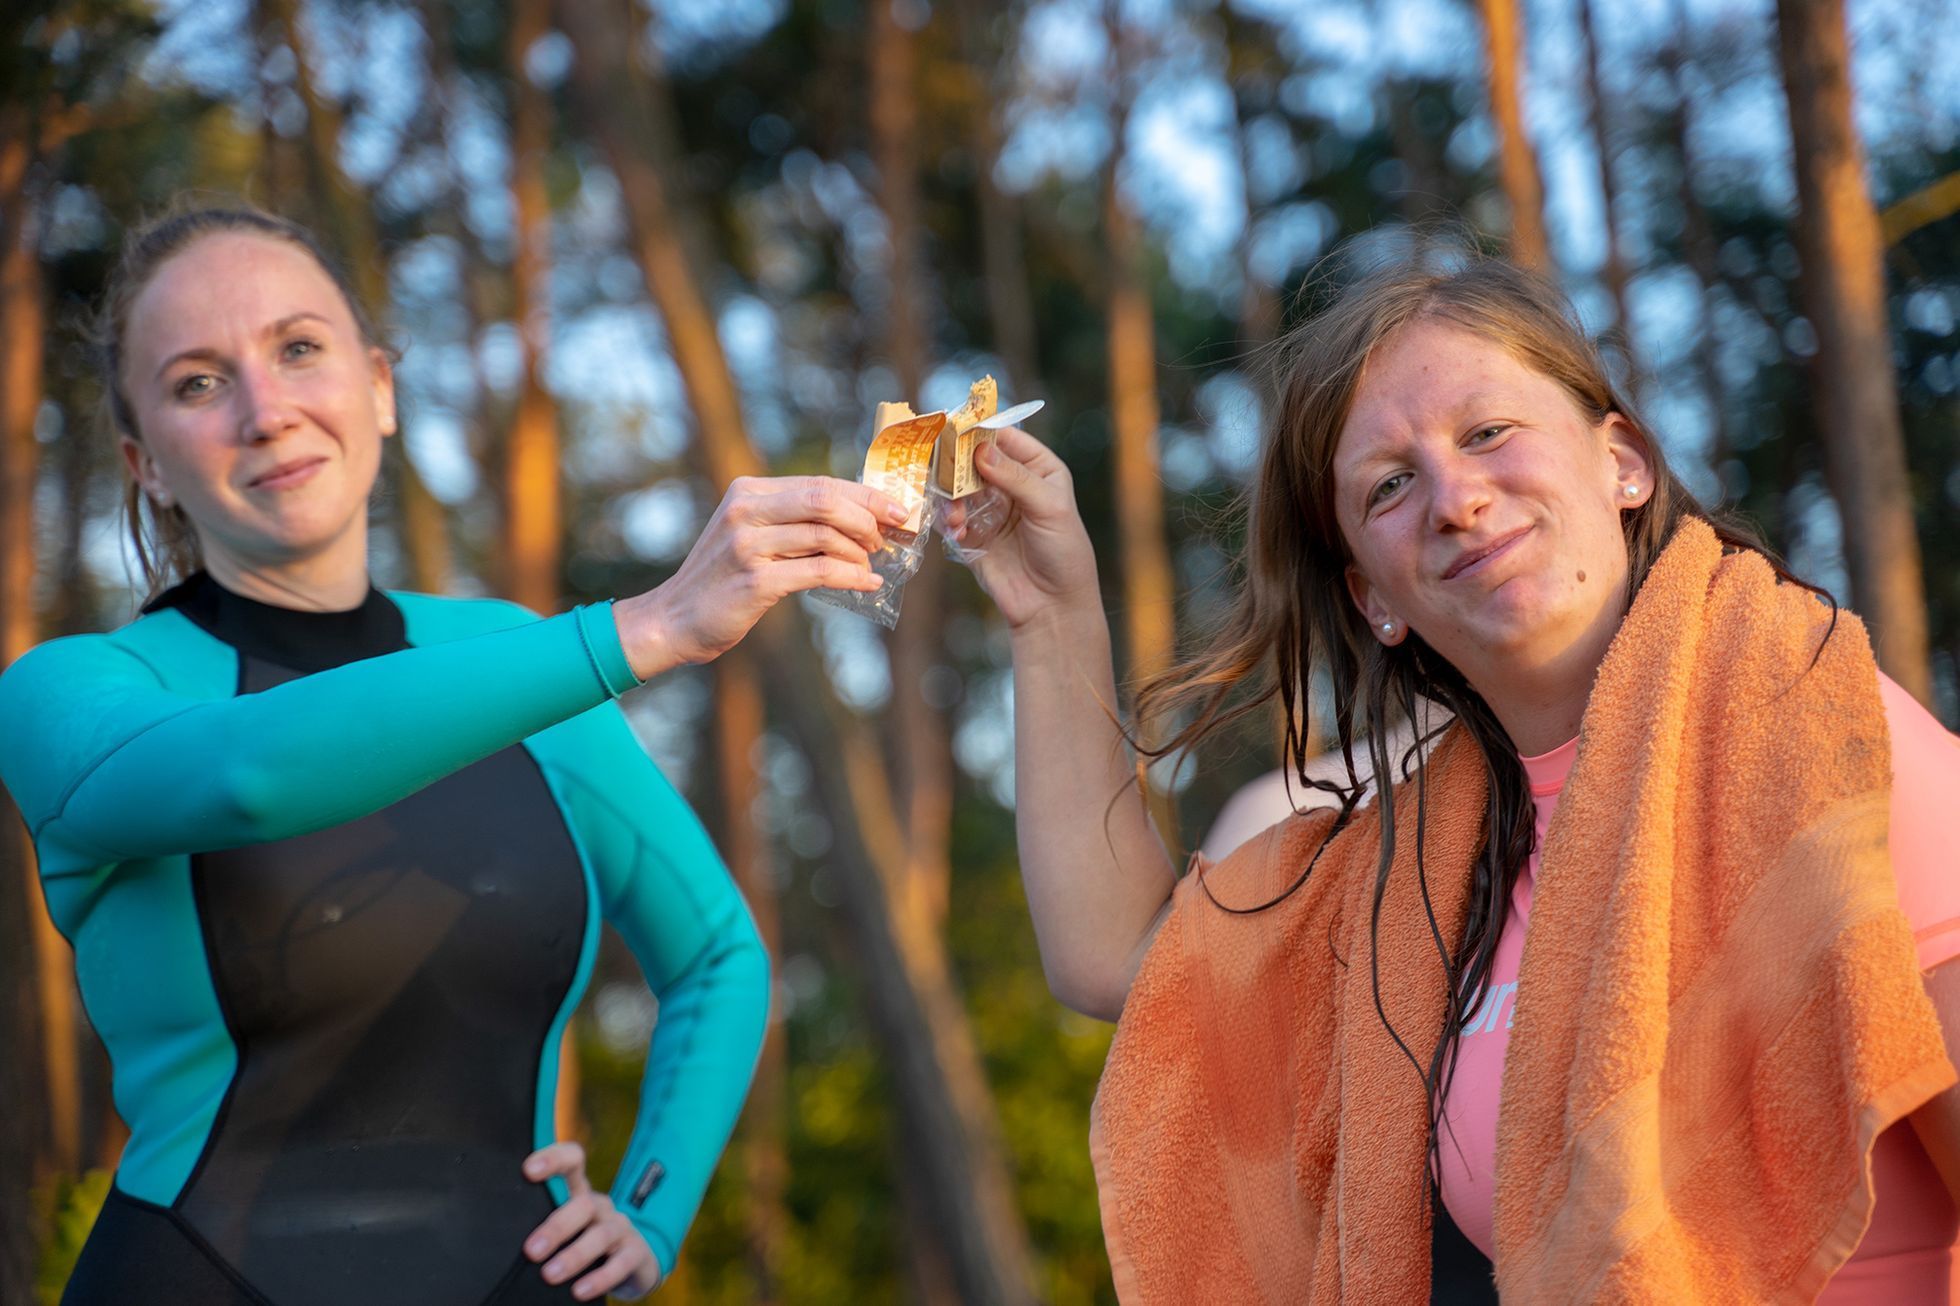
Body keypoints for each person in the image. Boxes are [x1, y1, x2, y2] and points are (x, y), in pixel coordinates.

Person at [961, 252, 1960, 1301]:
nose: (1454, 497)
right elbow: (1117, 958)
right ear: (1371, 597)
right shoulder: (1408, 880)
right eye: (1388, 484)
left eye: (1487, 432)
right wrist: (1050, 614)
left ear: (1624, 462)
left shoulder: (1832, 743)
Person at [0, 205, 910, 1306]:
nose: (265, 409)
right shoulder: (73, 693)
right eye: (198, 381)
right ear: (144, 463)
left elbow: (718, 954)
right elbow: (244, 776)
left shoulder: (514, 660)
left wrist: (647, 1213)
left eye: (298, 349)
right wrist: (648, 626)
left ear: (379, 388)